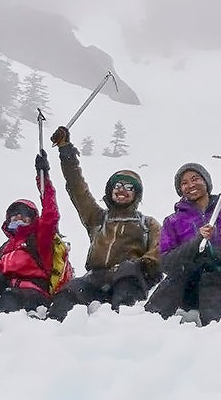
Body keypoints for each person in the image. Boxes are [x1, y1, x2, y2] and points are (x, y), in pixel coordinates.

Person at [49, 124, 160, 311]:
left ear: (137, 194)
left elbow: (158, 250)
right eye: (117, 186)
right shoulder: (98, 218)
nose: (122, 190)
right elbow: (78, 189)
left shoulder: (147, 223)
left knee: (126, 288)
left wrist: (143, 265)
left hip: (130, 276)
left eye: (129, 187)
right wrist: (66, 151)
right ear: (110, 191)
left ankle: (120, 327)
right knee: (68, 292)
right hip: (96, 277)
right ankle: (52, 327)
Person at [0, 150, 73, 330]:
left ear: (33, 220)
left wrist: (43, 177)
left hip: (33, 294)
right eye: (14, 214)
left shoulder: (40, 239)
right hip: (6, 293)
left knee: (9, 296)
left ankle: (1, 331)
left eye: (25, 215)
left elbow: (50, 212)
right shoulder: (6, 247)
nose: (19, 217)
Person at [145, 162, 221, 326]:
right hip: (188, 285)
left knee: (213, 281)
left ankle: (216, 333)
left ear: (206, 182)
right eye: (184, 183)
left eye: (195, 178)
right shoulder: (172, 221)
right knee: (177, 277)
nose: (190, 185)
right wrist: (195, 241)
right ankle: (146, 325)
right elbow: (166, 264)